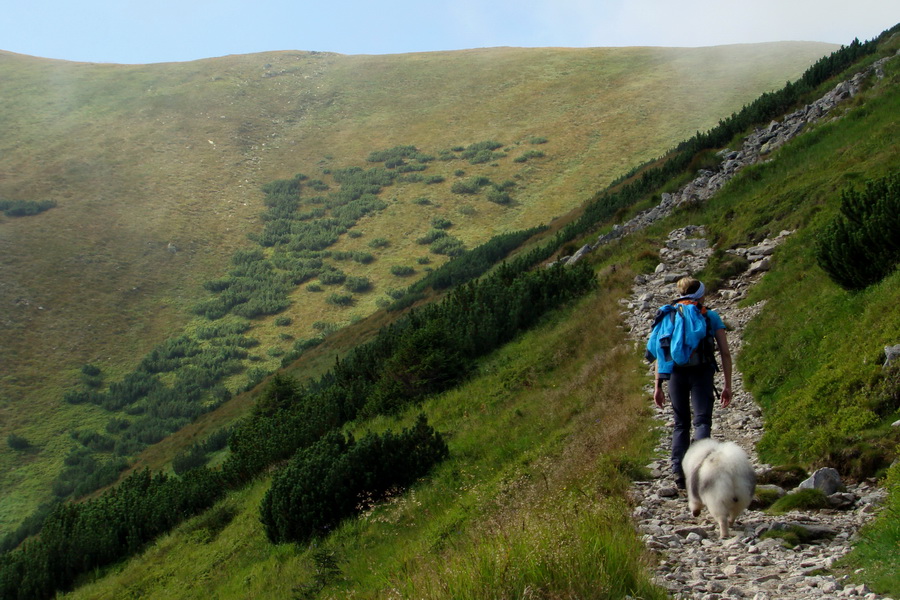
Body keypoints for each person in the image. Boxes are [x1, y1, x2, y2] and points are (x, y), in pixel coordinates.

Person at [651, 277, 732, 489]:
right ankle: (699, 466)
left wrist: (657, 387)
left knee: (681, 423)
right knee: (702, 421)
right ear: (700, 294)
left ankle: (678, 472)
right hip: (702, 373)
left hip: (675, 374)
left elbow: (661, 353)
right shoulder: (709, 316)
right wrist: (727, 385)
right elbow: (725, 352)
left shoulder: (668, 315)